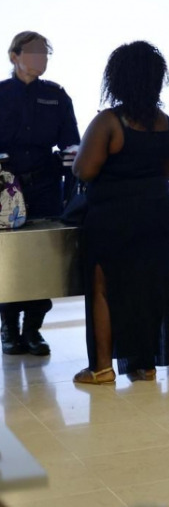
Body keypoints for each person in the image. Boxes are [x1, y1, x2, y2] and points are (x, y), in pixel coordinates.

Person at [71, 41, 169, 385]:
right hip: (158, 211)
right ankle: (144, 365)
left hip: (114, 214)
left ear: (117, 79)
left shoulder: (109, 122)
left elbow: (84, 170)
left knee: (103, 286)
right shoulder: (166, 123)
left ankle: (102, 368)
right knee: (148, 285)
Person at [0, 31, 80, 356]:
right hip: (6, 189)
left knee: (42, 257)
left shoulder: (56, 95)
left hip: (46, 186)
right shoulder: (2, 94)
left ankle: (33, 329)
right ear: (15, 56)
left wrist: (72, 157)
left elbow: (72, 141)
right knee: (8, 258)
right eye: (34, 52)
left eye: (45, 53)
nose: (40, 58)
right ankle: (8, 327)